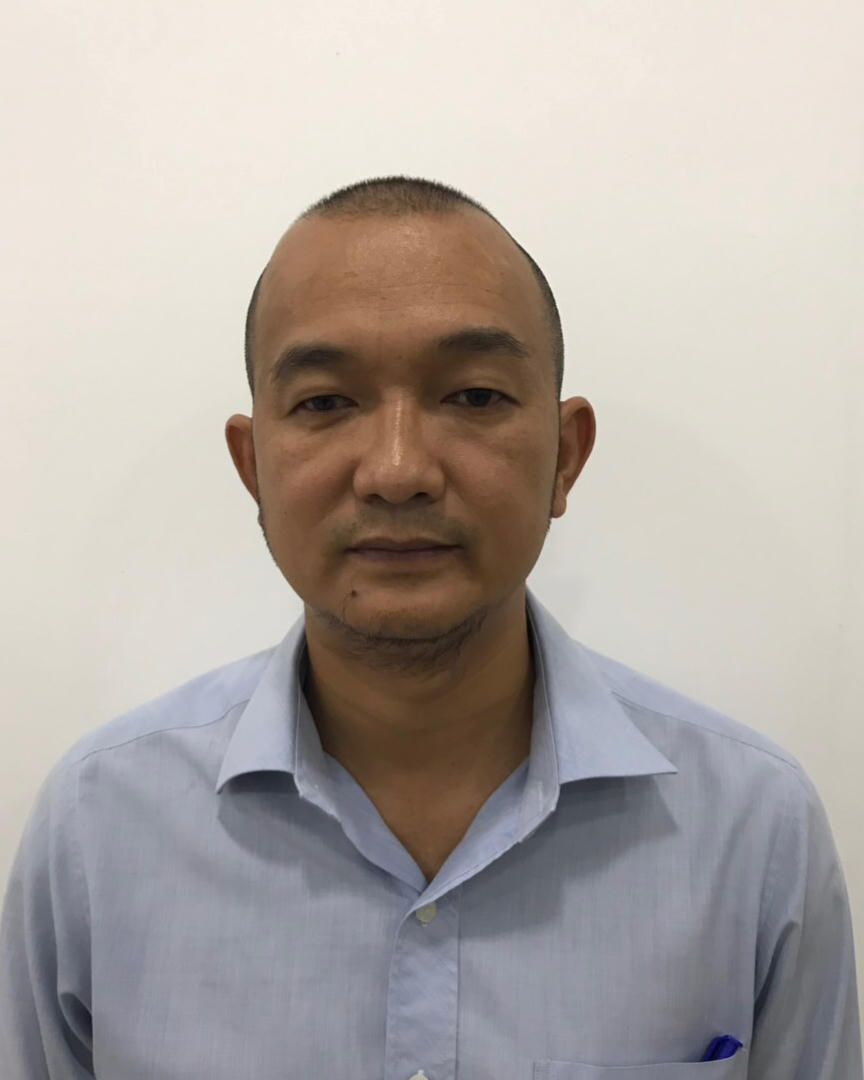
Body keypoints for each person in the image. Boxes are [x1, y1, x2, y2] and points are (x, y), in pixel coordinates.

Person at [0, 175, 860, 1078]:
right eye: (325, 402)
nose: (398, 470)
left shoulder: (752, 832)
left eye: (475, 397)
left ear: (565, 457)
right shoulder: (98, 830)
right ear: (252, 468)